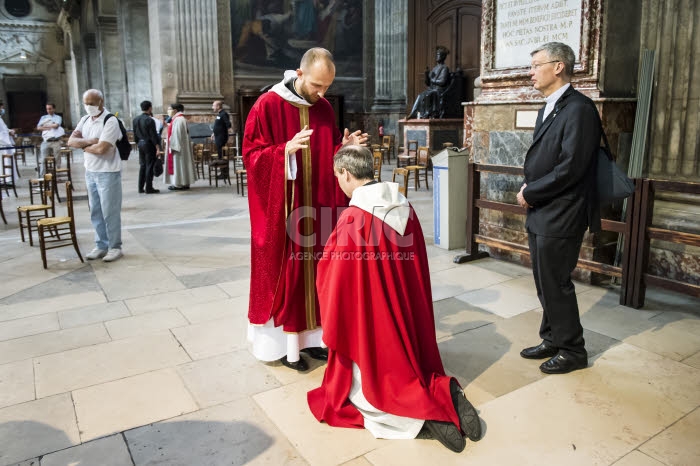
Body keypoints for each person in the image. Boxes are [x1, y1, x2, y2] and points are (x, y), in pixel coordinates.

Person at [307, 145, 482, 453]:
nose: (338, 182)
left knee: (374, 387)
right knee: (414, 364)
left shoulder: (353, 218)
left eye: (337, 177)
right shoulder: (404, 206)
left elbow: (333, 275)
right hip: (405, 310)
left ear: (345, 173)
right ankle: (448, 394)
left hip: (376, 321)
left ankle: (419, 419)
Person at [243, 47, 368, 371]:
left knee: (320, 276)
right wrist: (282, 152)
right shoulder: (267, 105)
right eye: (316, 85)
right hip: (285, 215)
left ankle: (315, 341)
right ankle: (286, 347)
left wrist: (346, 148)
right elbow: (251, 155)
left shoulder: (324, 108)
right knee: (290, 279)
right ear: (299, 75)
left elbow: (328, 154)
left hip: (319, 211)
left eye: (327, 86)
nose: (321, 93)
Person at [516, 42, 601, 374]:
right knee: (543, 281)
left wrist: (531, 191)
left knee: (556, 282)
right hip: (543, 209)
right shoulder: (549, 106)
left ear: (558, 67)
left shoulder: (579, 108)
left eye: (536, 65)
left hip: (562, 210)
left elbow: (572, 167)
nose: (531, 72)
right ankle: (552, 337)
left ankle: (572, 350)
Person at [67, 89, 124, 263]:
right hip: (90, 171)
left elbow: (102, 149)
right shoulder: (84, 119)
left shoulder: (110, 120)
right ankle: (101, 245)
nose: (89, 107)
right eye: (86, 104)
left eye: (92, 103)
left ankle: (115, 247)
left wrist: (83, 146)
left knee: (110, 211)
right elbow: (70, 141)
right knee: (95, 211)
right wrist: (91, 141)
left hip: (108, 171)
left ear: (101, 101)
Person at [407, 46, 451, 119]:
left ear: (443, 56)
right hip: (432, 89)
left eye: (438, 55)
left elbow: (442, 82)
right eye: (436, 55)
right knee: (420, 95)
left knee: (428, 94)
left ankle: (428, 113)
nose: (437, 56)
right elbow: (428, 83)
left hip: (439, 90)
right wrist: (426, 75)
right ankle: (413, 113)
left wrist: (432, 80)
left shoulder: (444, 68)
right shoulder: (435, 68)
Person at [164, 103, 196, 191]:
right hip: (182, 146)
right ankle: (184, 182)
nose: (168, 111)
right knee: (183, 165)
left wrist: (171, 143)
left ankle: (178, 184)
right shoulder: (180, 119)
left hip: (178, 147)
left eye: (169, 109)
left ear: (175, 110)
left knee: (179, 165)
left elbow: (177, 134)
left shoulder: (178, 119)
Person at [132, 100, 160, 194]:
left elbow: (135, 134)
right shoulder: (149, 120)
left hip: (140, 143)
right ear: (150, 108)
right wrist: (157, 147)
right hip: (149, 144)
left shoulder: (135, 119)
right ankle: (149, 187)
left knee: (143, 165)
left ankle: (140, 187)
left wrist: (138, 143)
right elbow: (153, 135)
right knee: (149, 166)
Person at [36, 103, 65, 175]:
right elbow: (39, 127)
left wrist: (45, 125)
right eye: (47, 109)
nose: (48, 110)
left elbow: (56, 126)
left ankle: (57, 175)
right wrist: (49, 127)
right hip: (46, 141)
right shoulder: (43, 117)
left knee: (57, 159)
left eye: (50, 108)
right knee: (43, 159)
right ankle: (43, 176)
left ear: (54, 109)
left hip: (55, 141)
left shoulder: (58, 117)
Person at [210, 100, 232, 179]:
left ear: (218, 106)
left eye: (213, 105)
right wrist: (214, 133)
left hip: (221, 138)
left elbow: (228, 125)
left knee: (222, 156)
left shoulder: (223, 114)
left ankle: (224, 174)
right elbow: (218, 126)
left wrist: (221, 133)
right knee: (220, 155)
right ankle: (223, 173)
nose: (212, 107)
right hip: (218, 137)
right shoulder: (220, 114)